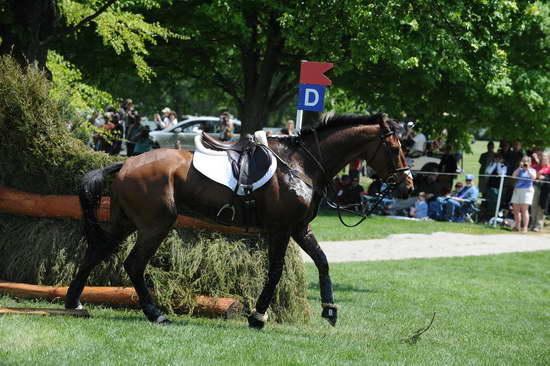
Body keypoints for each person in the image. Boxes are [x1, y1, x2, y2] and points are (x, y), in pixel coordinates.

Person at [511, 156, 537, 232]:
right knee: (516, 210)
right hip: (517, 189)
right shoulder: (520, 170)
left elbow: (533, 178)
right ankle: (517, 226)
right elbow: (513, 176)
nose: (525, 163)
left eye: (526, 161)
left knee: (524, 210)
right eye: (523, 161)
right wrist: (519, 167)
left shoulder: (532, 170)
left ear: (530, 163)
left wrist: (527, 169)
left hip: (527, 191)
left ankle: (525, 227)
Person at [530, 152, 550, 231]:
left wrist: (544, 178)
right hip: (536, 187)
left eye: (545, 157)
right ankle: (532, 224)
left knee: (541, 207)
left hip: (545, 190)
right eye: (542, 157)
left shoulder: (549, 168)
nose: (543, 158)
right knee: (534, 205)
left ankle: (538, 225)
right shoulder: (537, 167)